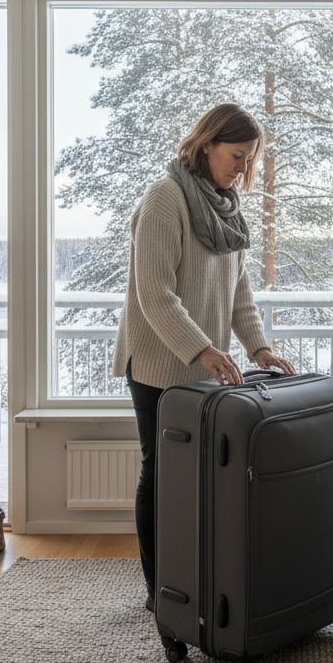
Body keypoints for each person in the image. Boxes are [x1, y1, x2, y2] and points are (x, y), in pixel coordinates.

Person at [113, 103, 295, 611]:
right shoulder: (165, 199)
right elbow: (154, 293)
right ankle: (160, 591)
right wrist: (202, 349)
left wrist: (258, 346)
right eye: (236, 156)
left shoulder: (226, 208)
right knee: (162, 474)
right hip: (158, 364)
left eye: (249, 159)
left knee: (198, 480)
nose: (242, 168)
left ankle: (196, 578)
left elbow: (239, 295)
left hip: (202, 365)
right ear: (207, 144)